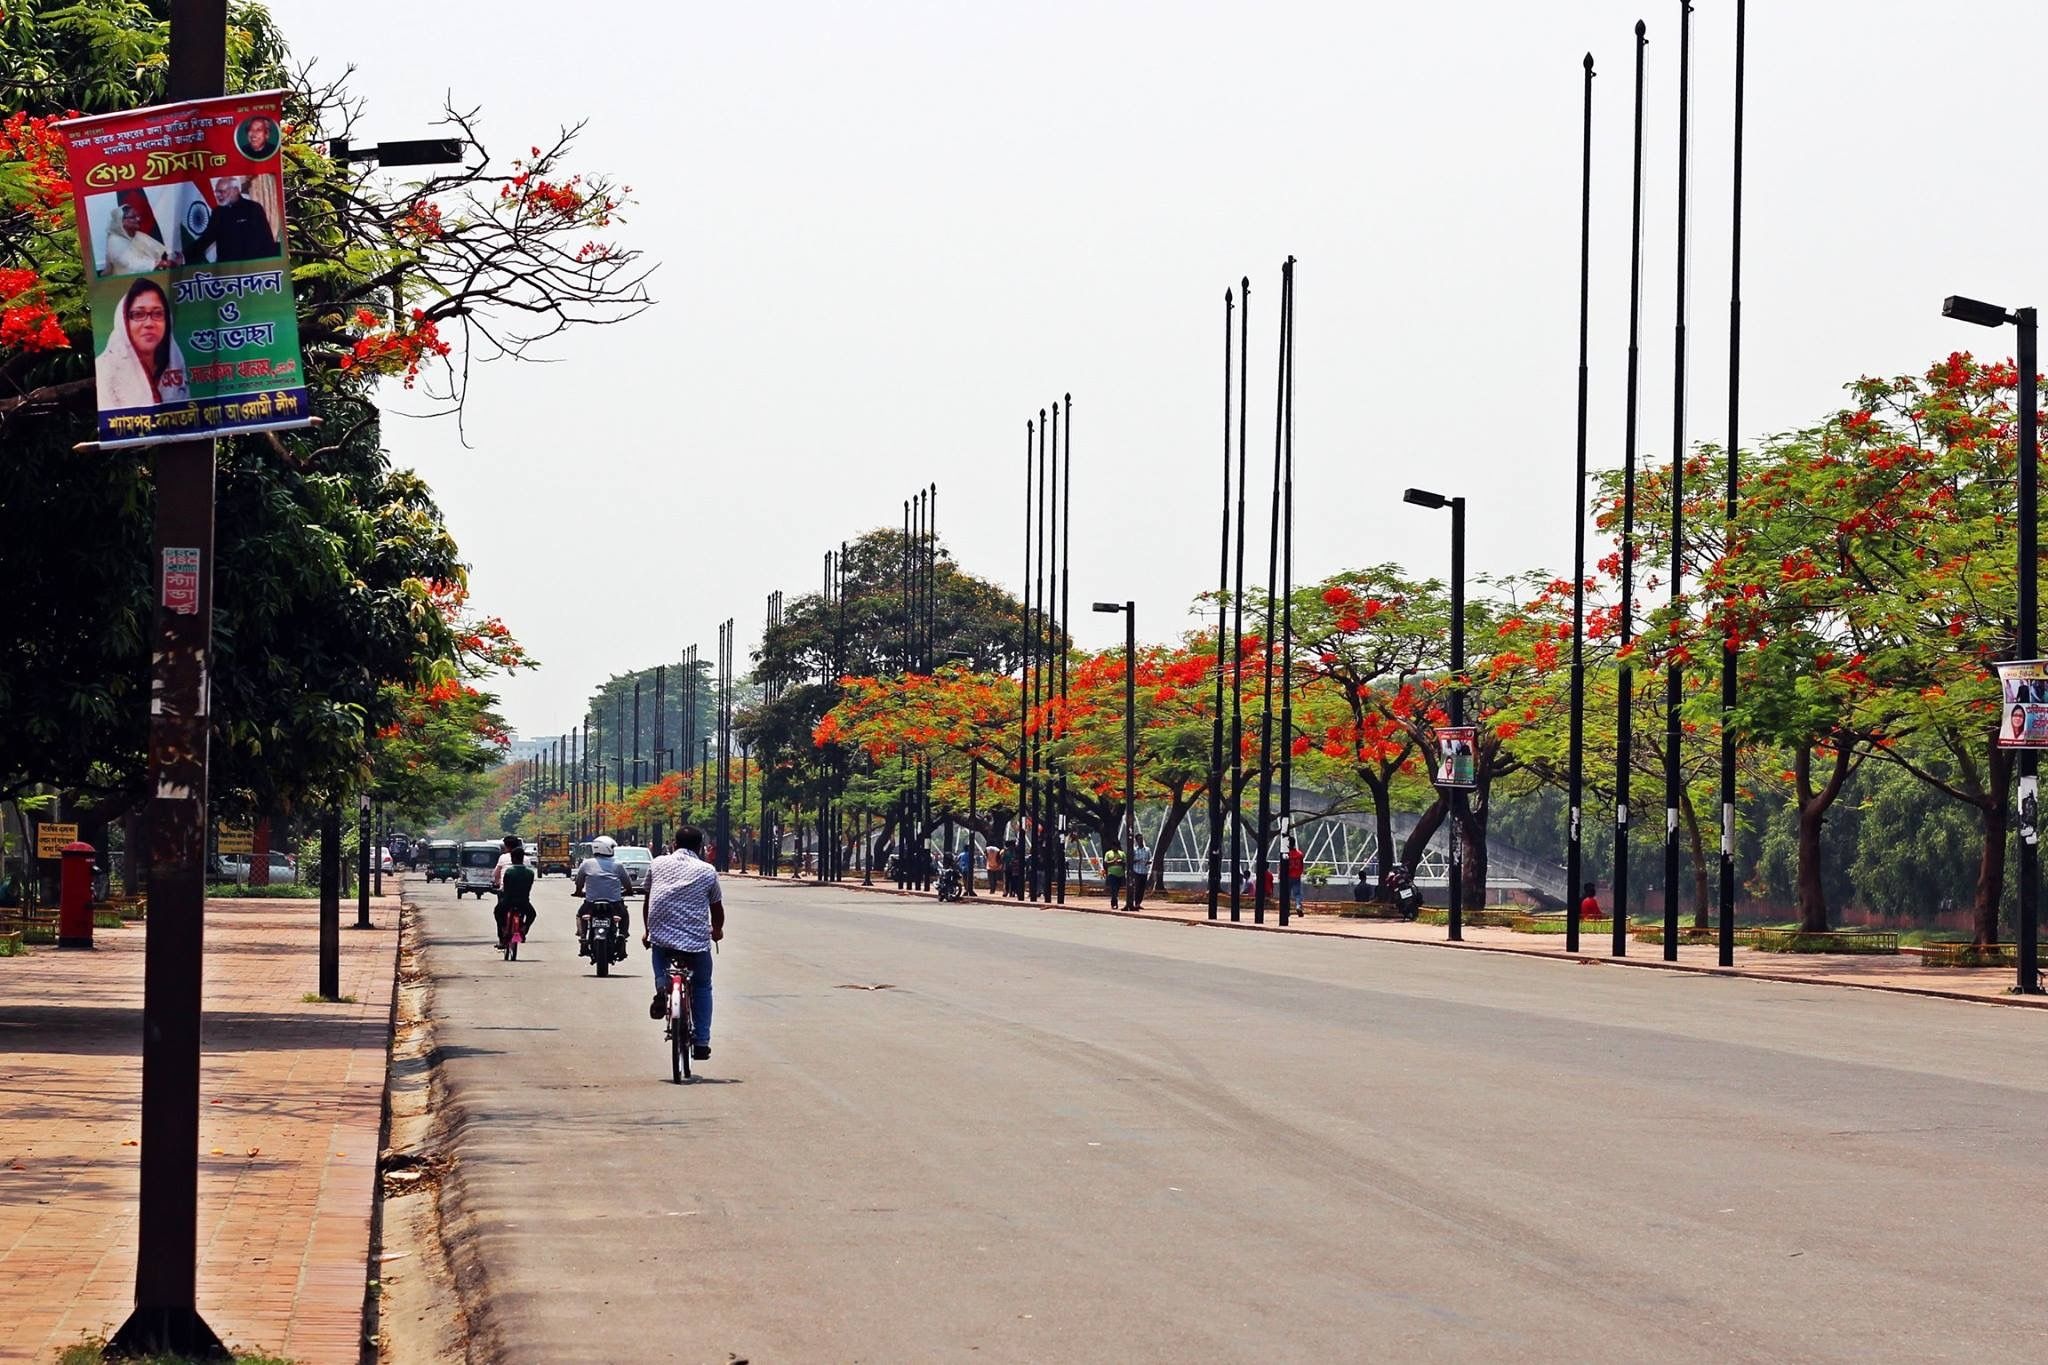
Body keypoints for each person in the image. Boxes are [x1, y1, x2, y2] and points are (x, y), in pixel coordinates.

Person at [641, 824, 724, 1062]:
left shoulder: (657, 863)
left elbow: (649, 900)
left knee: (657, 948)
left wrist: (647, 931)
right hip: (696, 941)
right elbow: (716, 909)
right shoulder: (707, 870)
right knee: (701, 987)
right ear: (700, 848)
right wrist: (717, 931)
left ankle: (661, 985)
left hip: (662, 936)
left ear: (674, 845)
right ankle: (701, 1042)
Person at [95, 277, 188, 411]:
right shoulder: (105, 368)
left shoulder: (175, 361)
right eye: (138, 314)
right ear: (123, 321)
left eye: (157, 314)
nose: (149, 324)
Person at [182, 175, 279, 263]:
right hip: (227, 271)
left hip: (253, 268)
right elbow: (206, 240)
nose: (218, 195)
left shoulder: (253, 208)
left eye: (222, 191)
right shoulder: (218, 212)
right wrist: (182, 256)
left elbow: (267, 240)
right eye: (216, 192)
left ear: (235, 191)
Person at [572, 835, 633, 962]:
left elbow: (579, 882)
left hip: (591, 904)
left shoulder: (586, 864)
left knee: (580, 914)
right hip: (615, 904)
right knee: (624, 915)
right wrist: (628, 891)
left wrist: (578, 892)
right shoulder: (617, 865)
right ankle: (622, 936)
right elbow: (627, 884)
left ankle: (583, 937)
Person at [103, 200, 172, 276]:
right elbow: (130, 265)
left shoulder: (138, 235)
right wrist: (159, 264)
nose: (138, 219)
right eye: (133, 217)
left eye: (138, 216)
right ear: (121, 221)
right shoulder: (114, 241)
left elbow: (158, 252)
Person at [494, 845, 536, 949]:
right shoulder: (530, 873)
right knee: (532, 914)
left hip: (508, 901)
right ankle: (524, 929)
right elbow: (529, 887)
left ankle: (503, 930)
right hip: (523, 902)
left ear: (513, 858)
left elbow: (506, 887)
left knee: (497, 912)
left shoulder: (509, 871)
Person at [1127, 835, 1151, 910]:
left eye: (1142, 839)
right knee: (1137, 888)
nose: (1141, 841)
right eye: (1139, 839)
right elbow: (1131, 861)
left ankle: (1138, 903)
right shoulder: (1134, 850)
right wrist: (1137, 860)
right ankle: (1136, 902)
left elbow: (1150, 859)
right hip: (1137, 871)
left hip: (1144, 871)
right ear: (1136, 841)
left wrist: (1148, 862)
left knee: (1142, 889)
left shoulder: (1147, 849)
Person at [1102, 842, 1127, 909]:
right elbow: (1106, 863)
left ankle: (1114, 899)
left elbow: (1125, 863)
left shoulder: (1122, 853)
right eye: (1114, 846)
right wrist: (1113, 861)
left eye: (1116, 846)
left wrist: (1121, 862)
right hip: (1111, 874)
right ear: (1112, 846)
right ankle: (1114, 903)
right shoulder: (1108, 853)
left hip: (1120, 874)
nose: (1115, 848)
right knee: (1114, 888)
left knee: (1117, 889)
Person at [1286, 840, 1306, 914]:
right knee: (1298, 893)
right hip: (1297, 875)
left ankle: (1286, 909)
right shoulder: (1300, 854)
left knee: (1286, 893)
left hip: (1288, 876)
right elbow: (1301, 865)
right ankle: (1298, 905)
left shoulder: (1286, 854)